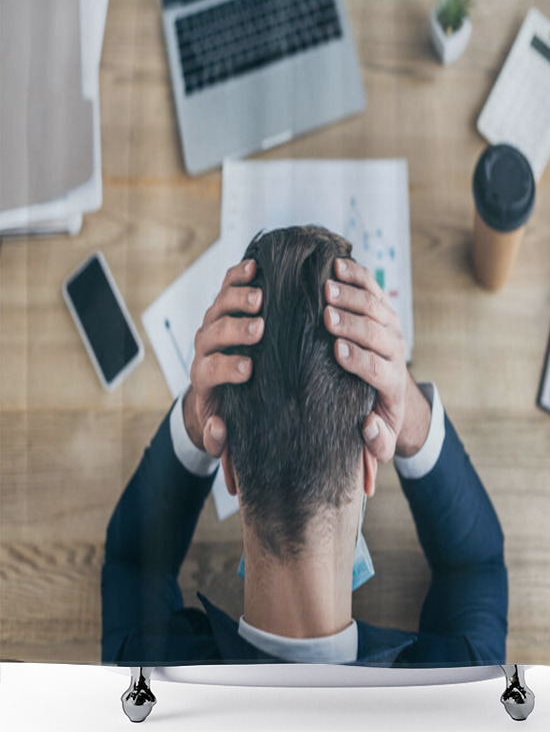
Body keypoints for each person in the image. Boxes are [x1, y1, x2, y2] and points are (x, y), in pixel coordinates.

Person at [102, 226, 507, 667]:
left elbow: (132, 561)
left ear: (230, 467)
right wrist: (406, 406)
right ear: (370, 464)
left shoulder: (142, 671)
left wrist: (195, 417)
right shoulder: (462, 691)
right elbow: (477, 564)